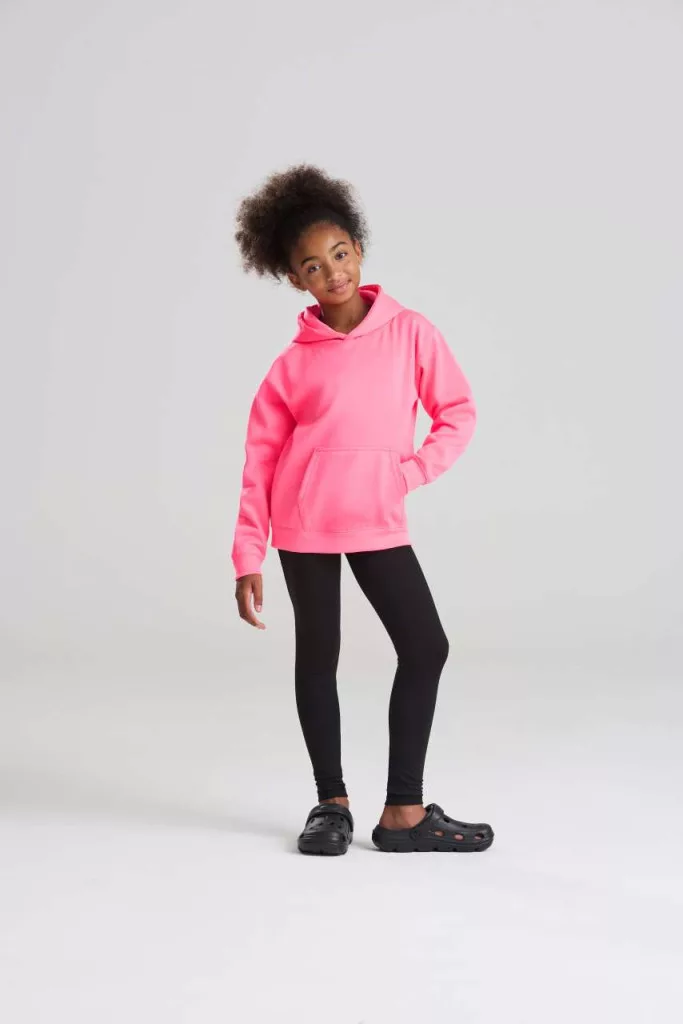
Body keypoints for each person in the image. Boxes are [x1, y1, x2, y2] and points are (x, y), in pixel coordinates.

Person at [230, 163, 494, 856]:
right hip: (304, 523)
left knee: (425, 647)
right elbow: (259, 462)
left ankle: (403, 810)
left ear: (359, 248)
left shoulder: (410, 332)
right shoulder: (293, 363)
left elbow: (457, 413)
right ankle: (331, 805)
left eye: (340, 254)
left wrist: (407, 473)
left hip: (376, 515)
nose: (332, 273)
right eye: (312, 266)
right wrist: (247, 554)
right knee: (318, 657)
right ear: (296, 280)